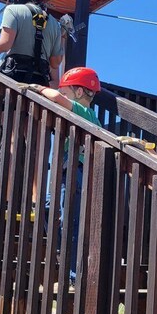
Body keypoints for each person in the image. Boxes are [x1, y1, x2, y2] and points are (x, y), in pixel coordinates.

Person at [23, 66, 102, 283]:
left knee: (71, 221)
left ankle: (74, 274)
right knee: (49, 209)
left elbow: (56, 96)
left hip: (76, 171)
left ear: (78, 93)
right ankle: (61, 252)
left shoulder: (82, 111)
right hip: (73, 172)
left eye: (68, 92)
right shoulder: (92, 118)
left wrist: (38, 88)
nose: (63, 96)